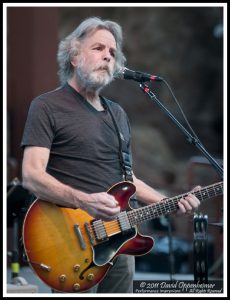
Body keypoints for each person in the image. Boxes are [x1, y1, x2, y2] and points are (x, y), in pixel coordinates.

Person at [21, 16, 200, 294]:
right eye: (98, 48)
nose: (107, 56)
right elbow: (31, 175)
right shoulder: (47, 106)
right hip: (70, 242)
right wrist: (84, 200)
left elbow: (128, 179)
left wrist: (170, 203)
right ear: (74, 56)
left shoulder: (117, 114)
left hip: (120, 238)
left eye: (113, 53)